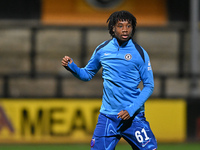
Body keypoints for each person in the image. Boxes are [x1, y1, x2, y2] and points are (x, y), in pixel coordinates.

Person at [62, 10, 157, 150]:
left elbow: (149, 86)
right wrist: (72, 67)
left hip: (134, 117)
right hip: (108, 117)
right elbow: (87, 74)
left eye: (128, 26)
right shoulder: (102, 49)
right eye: (120, 26)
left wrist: (130, 110)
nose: (125, 30)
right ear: (113, 28)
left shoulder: (139, 53)